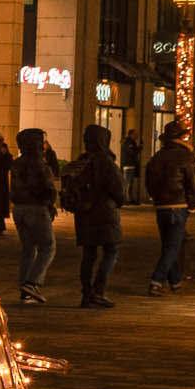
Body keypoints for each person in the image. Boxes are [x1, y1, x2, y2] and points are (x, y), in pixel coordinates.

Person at [63, 123, 128, 307]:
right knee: (111, 250)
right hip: (105, 214)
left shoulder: (82, 161)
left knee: (88, 254)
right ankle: (98, 291)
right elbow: (119, 192)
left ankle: (86, 293)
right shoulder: (106, 162)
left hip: (84, 215)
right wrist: (120, 200)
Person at [143, 120, 195, 296]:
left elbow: (149, 181)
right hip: (179, 205)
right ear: (181, 138)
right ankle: (156, 281)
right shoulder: (186, 156)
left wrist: (156, 198)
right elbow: (192, 182)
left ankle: (176, 282)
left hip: (161, 206)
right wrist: (193, 204)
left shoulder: (157, 157)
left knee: (169, 245)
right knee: (173, 246)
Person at [9, 127, 58, 304]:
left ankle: (25, 290)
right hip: (36, 208)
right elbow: (47, 189)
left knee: (28, 248)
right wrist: (50, 203)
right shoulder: (38, 164)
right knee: (48, 246)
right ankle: (32, 282)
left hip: (19, 208)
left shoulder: (17, 163)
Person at [121, 128, 144, 206]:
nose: (137, 136)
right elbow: (132, 152)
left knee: (129, 183)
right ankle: (126, 199)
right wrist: (139, 148)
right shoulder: (128, 143)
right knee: (128, 183)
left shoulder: (130, 142)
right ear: (131, 135)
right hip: (128, 165)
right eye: (135, 134)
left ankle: (129, 199)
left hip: (130, 165)